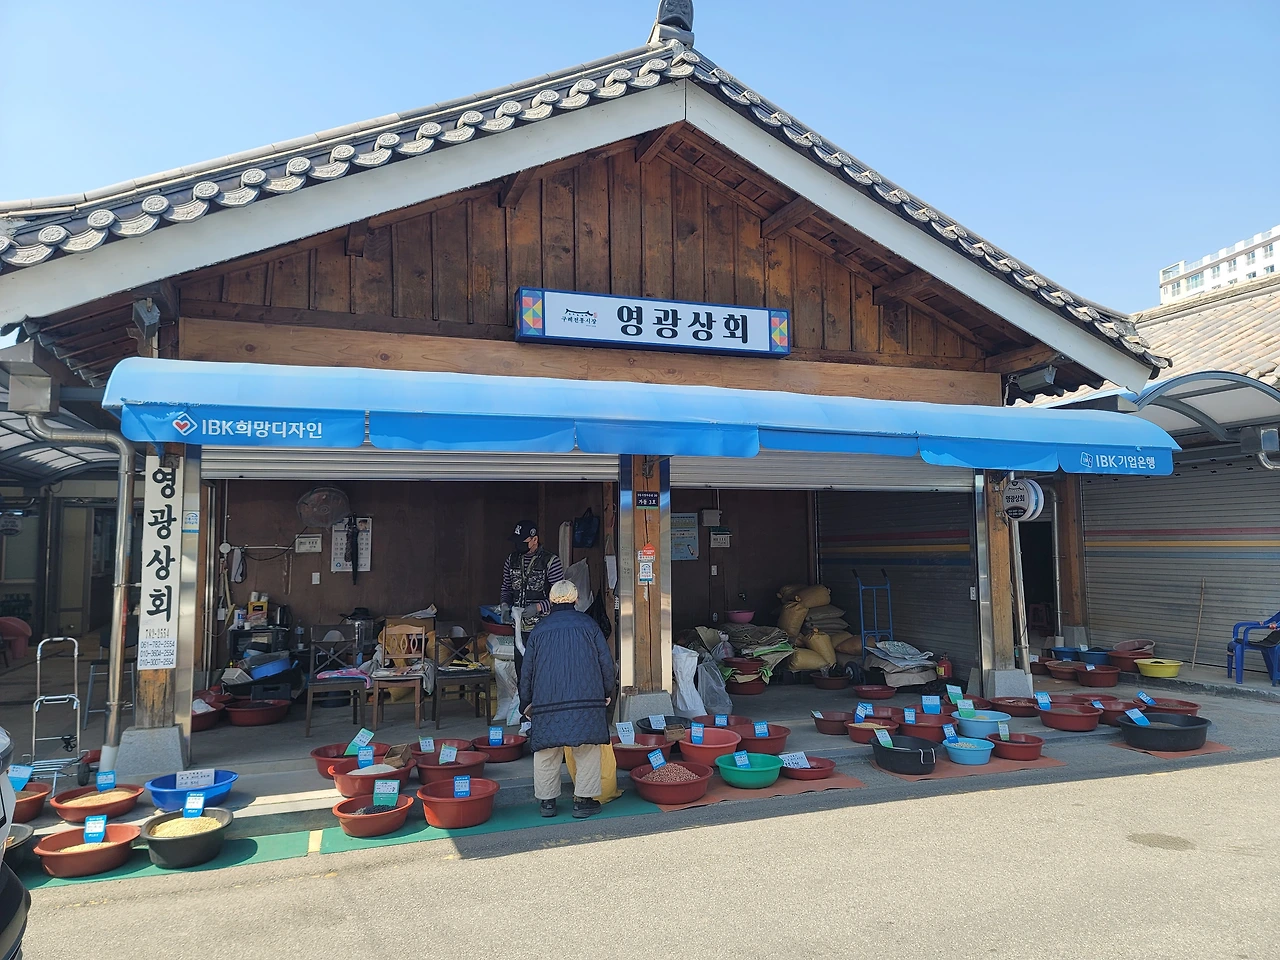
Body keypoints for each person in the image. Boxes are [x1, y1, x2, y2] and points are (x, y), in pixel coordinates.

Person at [519, 579, 616, 819]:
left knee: (546, 751)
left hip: (546, 702)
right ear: (576, 599)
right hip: (586, 701)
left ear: (551, 601)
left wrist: (525, 702)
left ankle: (547, 803)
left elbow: (527, 670)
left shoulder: (539, 630)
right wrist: (606, 692)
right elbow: (606, 663)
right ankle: (583, 801)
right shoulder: (589, 625)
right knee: (587, 750)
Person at [500, 520, 563, 678]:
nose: (518, 546)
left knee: (543, 673)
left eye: (523, 542)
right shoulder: (511, 560)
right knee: (523, 674)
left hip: (544, 629)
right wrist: (504, 606)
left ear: (535, 539)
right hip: (519, 630)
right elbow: (506, 588)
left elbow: (560, 596)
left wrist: (538, 607)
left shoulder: (550, 561)